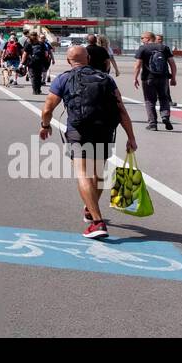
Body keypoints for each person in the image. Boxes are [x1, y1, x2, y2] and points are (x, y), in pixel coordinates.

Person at [39, 45, 138, 239]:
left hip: (79, 130)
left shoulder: (64, 78)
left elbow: (47, 109)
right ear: (89, 58)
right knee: (99, 173)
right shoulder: (105, 78)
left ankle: (97, 222)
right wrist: (131, 137)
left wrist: (45, 125)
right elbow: (121, 110)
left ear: (68, 61)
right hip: (104, 129)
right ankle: (90, 208)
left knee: (83, 173)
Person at [134, 31, 177, 132]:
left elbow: (138, 65)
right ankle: (165, 117)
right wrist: (173, 77)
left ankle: (153, 124)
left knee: (150, 101)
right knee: (164, 98)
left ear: (148, 38)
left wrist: (135, 78)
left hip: (148, 78)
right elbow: (172, 64)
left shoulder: (143, 48)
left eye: (142, 38)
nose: (141, 40)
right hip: (163, 78)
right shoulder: (164, 48)